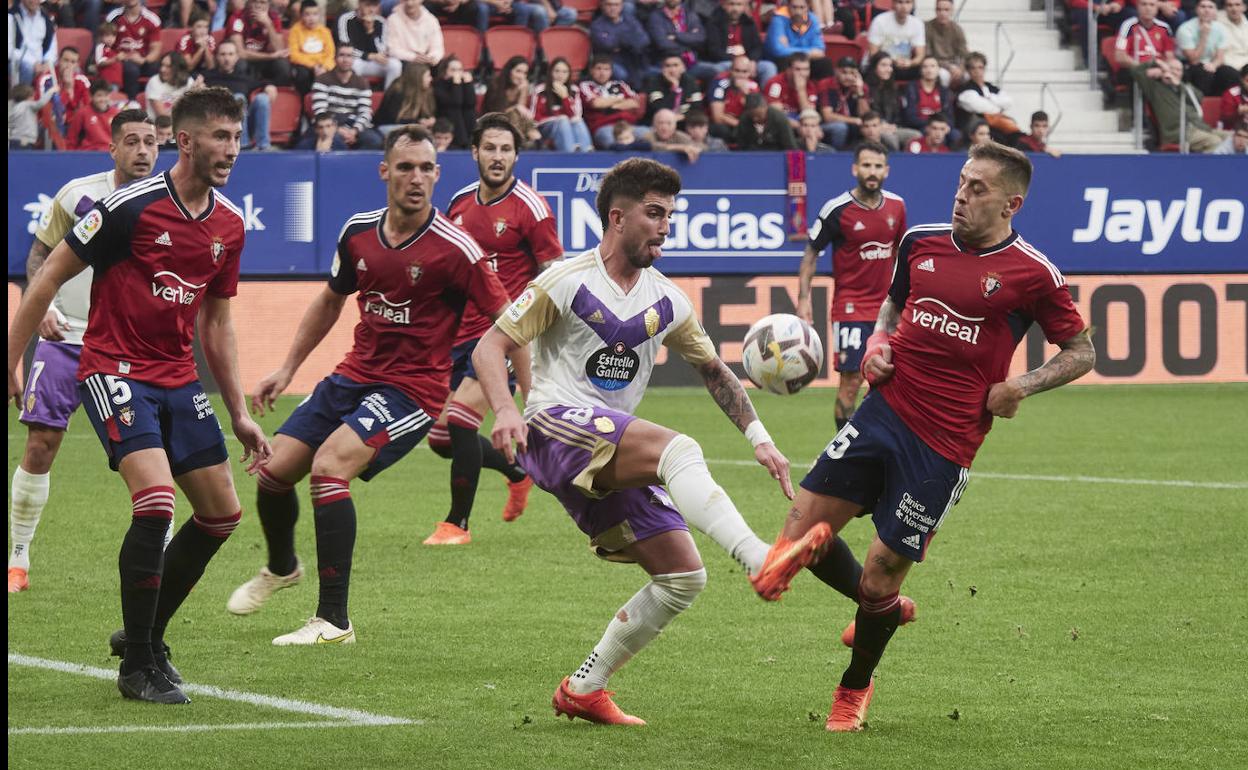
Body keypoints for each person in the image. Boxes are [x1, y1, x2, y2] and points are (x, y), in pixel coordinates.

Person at [472, 157, 829, 725]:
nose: (666, 225)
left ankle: (584, 687)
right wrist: (505, 407)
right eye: (655, 213)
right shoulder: (565, 280)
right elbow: (489, 347)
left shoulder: (668, 300)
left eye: (671, 214)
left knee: (683, 576)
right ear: (617, 217)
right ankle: (760, 558)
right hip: (554, 429)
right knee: (677, 449)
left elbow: (715, 372)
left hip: (605, 452)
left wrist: (760, 438)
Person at [752, 141, 1095, 732]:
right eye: (962, 183)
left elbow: (1082, 351)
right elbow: (890, 311)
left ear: (1011, 203)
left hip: (945, 444)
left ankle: (853, 690)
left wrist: (1024, 385)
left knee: (882, 569)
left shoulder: (1033, 273)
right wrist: (879, 349)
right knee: (795, 539)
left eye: (978, 189)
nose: (961, 196)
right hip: (881, 413)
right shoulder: (921, 243)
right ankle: (881, 609)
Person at [7, 87, 271, 704]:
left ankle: (142, 636)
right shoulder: (125, 208)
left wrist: (237, 413)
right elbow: (48, 276)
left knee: (222, 515)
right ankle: (138, 668)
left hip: (178, 377)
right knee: (154, 502)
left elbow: (216, 322)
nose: (232, 148)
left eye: (236, 136)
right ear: (185, 141)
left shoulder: (228, 225)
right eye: (219, 136)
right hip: (112, 368)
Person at [227, 125, 511, 645]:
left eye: (427, 168)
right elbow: (331, 300)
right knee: (272, 473)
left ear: (438, 175)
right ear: (385, 172)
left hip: (414, 389)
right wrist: (288, 369)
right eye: (405, 167)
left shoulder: (457, 249)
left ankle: (334, 621)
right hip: (353, 374)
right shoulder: (358, 232)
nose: (416, 178)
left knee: (329, 468)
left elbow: (508, 324)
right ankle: (283, 566)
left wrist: (515, 405)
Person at [9, 109, 158, 593]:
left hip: (132, 351)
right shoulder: (77, 195)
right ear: (112, 148)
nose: (142, 151)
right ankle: (17, 557)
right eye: (131, 141)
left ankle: (162, 561)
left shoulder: (166, 204)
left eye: (150, 142)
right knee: (40, 443)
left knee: (151, 457)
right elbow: (38, 256)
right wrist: (45, 303)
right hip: (66, 338)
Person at [421, 114, 559, 545]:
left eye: (506, 149)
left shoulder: (531, 207)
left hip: (506, 336)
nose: (498, 157)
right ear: (475, 152)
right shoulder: (460, 203)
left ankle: (455, 524)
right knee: (440, 439)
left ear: (516, 155)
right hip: (460, 334)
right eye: (491, 148)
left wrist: (535, 331)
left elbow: (553, 273)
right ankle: (517, 471)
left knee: (462, 421)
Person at [797, 140, 905, 432]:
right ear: (855, 168)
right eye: (867, 165)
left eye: (878, 166)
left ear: (887, 170)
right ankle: (840, 455)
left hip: (887, 312)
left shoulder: (897, 206)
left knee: (887, 384)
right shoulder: (837, 209)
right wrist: (803, 299)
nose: (872, 171)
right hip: (851, 309)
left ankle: (874, 448)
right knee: (851, 383)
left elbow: (900, 254)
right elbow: (810, 253)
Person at [202, 38, 277, 151]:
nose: (226, 59)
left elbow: (262, 83)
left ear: (237, 57)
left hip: (243, 124)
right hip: (218, 125)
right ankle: (242, 145)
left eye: (230, 54)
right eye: (223, 54)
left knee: (262, 99)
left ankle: (263, 146)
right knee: (238, 98)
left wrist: (269, 86)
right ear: (216, 57)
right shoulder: (208, 77)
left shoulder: (243, 78)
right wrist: (198, 89)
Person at [311, 46, 384, 149]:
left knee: (375, 141)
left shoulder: (362, 82)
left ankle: (357, 165)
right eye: (341, 55)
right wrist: (337, 129)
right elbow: (320, 112)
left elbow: (365, 112)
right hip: (330, 124)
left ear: (354, 59)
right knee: (334, 140)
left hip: (354, 124)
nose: (345, 59)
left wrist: (354, 131)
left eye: (349, 56)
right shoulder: (322, 80)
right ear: (335, 58)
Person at [580, 54, 648, 149]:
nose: (602, 73)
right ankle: (626, 148)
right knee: (609, 138)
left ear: (611, 72)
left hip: (627, 126)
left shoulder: (620, 85)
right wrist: (620, 99)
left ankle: (630, 148)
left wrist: (609, 105)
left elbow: (635, 103)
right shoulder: (586, 85)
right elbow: (596, 103)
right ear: (592, 71)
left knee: (648, 134)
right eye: (598, 69)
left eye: (606, 69)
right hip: (603, 127)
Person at [1176, 0, 1240, 97]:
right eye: (1203, 7)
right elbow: (1193, 60)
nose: (1206, 10)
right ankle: (1202, 108)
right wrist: (1204, 36)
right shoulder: (1185, 29)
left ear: (1215, 11)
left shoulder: (1221, 28)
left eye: (1210, 7)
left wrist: (1214, 65)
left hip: (1211, 65)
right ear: (1197, 9)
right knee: (1204, 74)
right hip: (1189, 66)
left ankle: (1227, 105)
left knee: (1231, 73)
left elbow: (1220, 57)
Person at [704, 0, 777, 84]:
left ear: (744, 6)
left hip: (748, 61)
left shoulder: (749, 23)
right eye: (731, 4)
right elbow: (714, 50)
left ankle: (763, 97)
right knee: (719, 69)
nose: (735, 8)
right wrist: (738, 62)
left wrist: (753, 60)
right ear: (724, 5)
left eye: (739, 4)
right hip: (726, 61)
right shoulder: (714, 23)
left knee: (768, 67)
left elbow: (757, 47)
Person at [531, 56, 595, 152]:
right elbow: (535, 118)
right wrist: (557, 118)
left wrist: (565, 97)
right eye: (557, 71)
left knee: (577, 121)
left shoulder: (574, 90)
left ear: (569, 74)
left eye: (564, 72)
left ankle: (586, 151)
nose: (560, 75)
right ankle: (570, 153)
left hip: (569, 127)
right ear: (550, 72)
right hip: (546, 129)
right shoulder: (540, 89)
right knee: (563, 119)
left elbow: (576, 116)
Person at [956, 51, 1020, 142]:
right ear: (968, 70)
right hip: (975, 129)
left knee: (1018, 136)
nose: (977, 71)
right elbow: (981, 107)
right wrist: (998, 105)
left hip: (995, 126)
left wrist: (990, 99)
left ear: (984, 68)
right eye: (973, 68)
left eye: (980, 67)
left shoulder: (991, 87)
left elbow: (1009, 102)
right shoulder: (965, 89)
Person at [107, 0, 165, 99]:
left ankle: (158, 100)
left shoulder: (152, 19)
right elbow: (105, 44)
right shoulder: (113, 17)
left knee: (161, 68)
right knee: (131, 70)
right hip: (120, 60)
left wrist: (144, 60)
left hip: (143, 60)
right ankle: (132, 102)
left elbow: (155, 49)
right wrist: (118, 57)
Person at [227, 0, 292, 86]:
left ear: (268, 5)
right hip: (247, 60)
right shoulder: (237, 18)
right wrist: (271, 56)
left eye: (262, 2)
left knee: (282, 64)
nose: (258, 6)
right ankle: (243, 94)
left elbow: (279, 49)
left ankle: (276, 92)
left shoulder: (273, 18)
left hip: (265, 62)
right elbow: (240, 53)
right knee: (240, 64)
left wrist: (269, 25)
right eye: (254, 1)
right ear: (248, 3)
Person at [589, 0, 650, 87]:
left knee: (650, 73)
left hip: (632, 58)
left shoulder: (630, 20)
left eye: (616, 5)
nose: (613, 8)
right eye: (609, 5)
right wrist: (630, 38)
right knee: (622, 75)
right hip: (610, 60)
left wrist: (620, 41)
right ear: (602, 6)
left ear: (621, 6)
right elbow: (608, 44)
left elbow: (644, 40)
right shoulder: (597, 25)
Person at [338, 0, 400, 87]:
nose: (371, 9)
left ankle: (389, 98)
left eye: (374, 6)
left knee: (395, 65)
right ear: (359, 4)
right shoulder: (346, 19)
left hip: (375, 62)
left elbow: (382, 50)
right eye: (368, 5)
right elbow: (345, 47)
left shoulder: (381, 21)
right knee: (354, 64)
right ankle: (355, 97)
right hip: (355, 60)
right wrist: (367, 56)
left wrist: (370, 31)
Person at [483, 56, 540, 147]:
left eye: (525, 73)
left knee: (519, 114)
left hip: (516, 125)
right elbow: (498, 112)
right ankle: (530, 140)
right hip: (493, 121)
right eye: (518, 71)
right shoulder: (496, 84)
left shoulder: (522, 86)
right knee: (515, 113)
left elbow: (522, 110)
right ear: (509, 71)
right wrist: (516, 107)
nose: (521, 76)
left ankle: (535, 139)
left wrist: (523, 91)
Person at [706, 53, 758, 141]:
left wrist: (746, 94)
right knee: (721, 130)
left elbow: (757, 115)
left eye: (744, 71)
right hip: (722, 124)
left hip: (739, 122)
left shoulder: (753, 87)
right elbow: (717, 117)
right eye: (737, 71)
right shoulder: (720, 83)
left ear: (749, 73)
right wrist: (741, 125)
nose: (740, 75)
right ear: (730, 70)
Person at [867, 0, 925, 79]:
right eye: (900, 2)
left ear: (913, 5)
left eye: (908, 2)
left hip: (906, 64)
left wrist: (910, 63)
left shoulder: (917, 23)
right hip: (883, 63)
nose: (904, 7)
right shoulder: (879, 21)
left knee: (926, 70)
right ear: (893, 4)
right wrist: (890, 62)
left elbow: (920, 55)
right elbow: (873, 53)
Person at [375, 61, 436, 133]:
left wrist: (429, 120)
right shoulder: (398, 91)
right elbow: (392, 119)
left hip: (410, 127)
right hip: (388, 126)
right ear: (418, 77)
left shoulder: (426, 92)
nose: (431, 79)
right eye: (428, 76)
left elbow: (424, 115)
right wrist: (418, 122)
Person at [289, 0, 336, 94]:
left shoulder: (325, 31)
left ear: (319, 15)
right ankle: (305, 102)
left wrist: (324, 67)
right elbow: (294, 55)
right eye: (307, 14)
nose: (312, 18)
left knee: (337, 71)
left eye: (315, 14)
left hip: (323, 65)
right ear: (301, 16)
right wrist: (314, 65)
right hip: (305, 66)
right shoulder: (295, 30)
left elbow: (330, 53)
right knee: (302, 74)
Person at [764, 0, 827, 71]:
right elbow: (778, 50)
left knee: (824, 63)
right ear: (788, 6)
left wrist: (789, 48)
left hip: (803, 59)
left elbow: (819, 49)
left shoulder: (813, 19)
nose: (798, 12)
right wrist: (808, 52)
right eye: (794, 7)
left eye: (802, 7)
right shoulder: (778, 19)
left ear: (808, 7)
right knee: (785, 60)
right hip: (780, 60)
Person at [644, 54, 705, 124]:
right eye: (667, 66)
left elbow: (697, 108)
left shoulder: (691, 82)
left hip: (684, 122)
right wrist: (675, 88)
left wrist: (683, 117)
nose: (672, 70)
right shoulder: (654, 82)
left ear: (683, 68)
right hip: (658, 124)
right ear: (662, 69)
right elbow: (659, 109)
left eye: (676, 65)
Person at [8, 0, 58, 86]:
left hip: (41, 63)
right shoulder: (11, 16)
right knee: (27, 69)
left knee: (66, 68)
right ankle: (23, 97)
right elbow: (9, 50)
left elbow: (52, 46)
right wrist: (33, 63)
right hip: (18, 62)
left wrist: (47, 63)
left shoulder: (46, 18)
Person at [385, 0, 445, 71]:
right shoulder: (393, 20)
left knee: (447, 66)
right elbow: (392, 50)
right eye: (406, 0)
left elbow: (437, 48)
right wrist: (413, 57)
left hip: (427, 61)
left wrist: (431, 58)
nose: (409, 3)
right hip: (405, 62)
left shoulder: (431, 20)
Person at [433, 55, 475, 148]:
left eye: (460, 70)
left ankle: (471, 141)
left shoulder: (463, 84)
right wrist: (456, 84)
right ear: (444, 72)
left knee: (469, 112)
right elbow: (456, 103)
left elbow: (471, 103)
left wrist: (469, 84)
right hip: (447, 120)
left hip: (464, 123)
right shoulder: (438, 86)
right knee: (454, 111)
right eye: (453, 70)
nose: (457, 73)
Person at [67, 80, 121, 151]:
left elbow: (121, 139)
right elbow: (72, 139)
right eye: (99, 95)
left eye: (106, 95)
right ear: (91, 97)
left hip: (110, 155)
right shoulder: (82, 113)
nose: (103, 99)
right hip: (88, 155)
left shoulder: (116, 113)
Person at [145, 52, 200, 121]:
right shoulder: (155, 81)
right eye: (162, 65)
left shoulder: (188, 81)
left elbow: (194, 112)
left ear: (178, 68)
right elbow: (163, 117)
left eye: (168, 66)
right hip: (159, 126)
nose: (162, 69)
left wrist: (197, 94)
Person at [925, 0, 967, 86]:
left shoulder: (957, 29)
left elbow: (965, 54)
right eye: (939, 9)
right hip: (935, 64)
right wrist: (949, 67)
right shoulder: (927, 27)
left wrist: (961, 69)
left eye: (946, 10)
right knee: (944, 76)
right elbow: (927, 55)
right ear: (935, 10)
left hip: (955, 65)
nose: (942, 13)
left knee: (967, 76)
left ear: (952, 11)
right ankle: (944, 98)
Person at [8, 81, 58, 149]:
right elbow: (40, 103)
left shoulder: (14, 108)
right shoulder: (27, 105)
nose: (34, 98)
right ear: (28, 96)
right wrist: (51, 91)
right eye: (32, 96)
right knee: (25, 159)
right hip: (25, 141)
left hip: (13, 140)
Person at [95, 22, 125, 93]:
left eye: (113, 36)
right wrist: (115, 59)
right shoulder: (100, 47)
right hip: (106, 82)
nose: (111, 39)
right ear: (101, 36)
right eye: (107, 35)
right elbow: (99, 62)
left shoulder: (115, 50)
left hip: (116, 82)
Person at [1221, 0, 1248, 71]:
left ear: (1244, 7)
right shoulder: (1217, 25)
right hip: (1229, 67)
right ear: (1225, 8)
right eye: (1230, 5)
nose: (1234, 9)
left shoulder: (1246, 24)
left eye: (1237, 5)